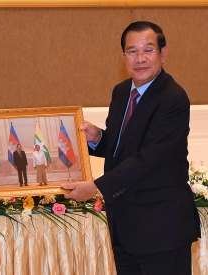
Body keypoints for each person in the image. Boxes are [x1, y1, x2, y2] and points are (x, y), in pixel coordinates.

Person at [62, 21, 201, 275]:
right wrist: (97, 138)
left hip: (161, 231)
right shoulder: (122, 91)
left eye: (148, 50)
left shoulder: (173, 99)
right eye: (132, 51)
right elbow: (122, 147)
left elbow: (147, 158)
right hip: (125, 227)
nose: (140, 59)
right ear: (123, 56)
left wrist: (96, 187)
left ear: (163, 53)